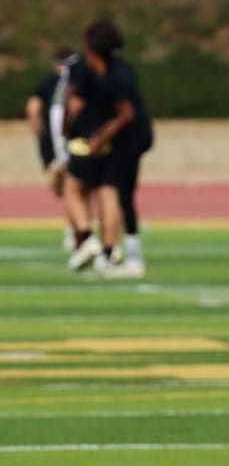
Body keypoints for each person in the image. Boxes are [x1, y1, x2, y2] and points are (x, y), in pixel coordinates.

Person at [64, 19, 153, 277]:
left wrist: (99, 139)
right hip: (112, 138)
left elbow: (127, 114)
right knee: (107, 190)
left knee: (113, 191)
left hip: (131, 137)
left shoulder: (117, 76)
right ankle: (107, 253)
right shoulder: (93, 71)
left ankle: (119, 253)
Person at [25, 48, 76, 248]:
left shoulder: (49, 83)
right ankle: (74, 228)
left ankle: (74, 228)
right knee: (73, 186)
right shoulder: (73, 82)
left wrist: (41, 136)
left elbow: (32, 109)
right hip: (68, 139)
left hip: (54, 141)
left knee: (68, 186)